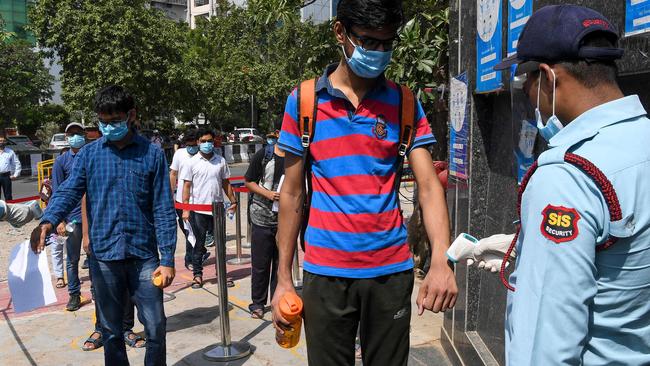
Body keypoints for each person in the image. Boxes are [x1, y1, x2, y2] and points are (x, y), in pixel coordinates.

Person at [272, 1, 457, 364]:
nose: (379, 53)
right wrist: (283, 279)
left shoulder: (404, 103)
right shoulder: (305, 102)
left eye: (387, 44)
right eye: (369, 42)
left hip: (389, 272)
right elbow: (292, 194)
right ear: (340, 33)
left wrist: (440, 260)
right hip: (325, 273)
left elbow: (429, 186)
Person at [482, 5, 650, 364]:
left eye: (525, 80)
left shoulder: (567, 175)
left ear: (547, 77)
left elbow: (547, 345)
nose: (527, 92)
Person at [30, 85, 176, 366]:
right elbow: (69, 191)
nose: (108, 127)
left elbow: (163, 210)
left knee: (156, 326)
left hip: (144, 257)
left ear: (131, 115)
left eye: (115, 121)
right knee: (110, 331)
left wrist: (168, 258)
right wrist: (48, 221)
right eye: (103, 122)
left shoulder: (152, 154)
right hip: (104, 257)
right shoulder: (89, 155)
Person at [80, 199, 146, 351]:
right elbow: (85, 198)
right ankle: (101, 328)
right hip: (100, 234)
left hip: (128, 233)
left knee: (127, 285)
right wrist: (85, 233)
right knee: (100, 287)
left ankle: (125, 328)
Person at [181, 128, 237, 289]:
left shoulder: (220, 161)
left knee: (220, 244)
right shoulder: (191, 163)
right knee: (198, 244)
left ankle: (221, 273)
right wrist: (186, 209)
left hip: (217, 210)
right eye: (203, 141)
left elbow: (226, 183)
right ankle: (197, 275)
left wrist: (233, 201)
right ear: (198, 142)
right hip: (198, 211)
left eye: (209, 141)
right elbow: (186, 186)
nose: (207, 144)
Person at [244, 130, 284, 319]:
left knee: (280, 264)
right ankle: (258, 304)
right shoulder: (265, 154)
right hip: (261, 216)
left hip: (285, 220)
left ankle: (278, 301)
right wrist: (268, 194)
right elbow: (248, 181)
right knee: (261, 264)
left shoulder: (297, 156)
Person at [50, 122, 87, 311]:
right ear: (66, 137)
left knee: (96, 257)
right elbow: (57, 192)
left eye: (78, 133)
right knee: (72, 259)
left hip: (92, 217)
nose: (75, 137)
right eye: (71, 134)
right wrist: (60, 220)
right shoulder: (61, 161)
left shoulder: (92, 155)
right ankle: (74, 294)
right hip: (71, 220)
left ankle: (99, 291)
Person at [169, 129, 209, 270]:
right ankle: (200, 251)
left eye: (194, 144)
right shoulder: (180, 154)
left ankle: (190, 259)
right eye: (188, 145)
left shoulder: (203, 155)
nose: (191, 147)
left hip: (198, 202)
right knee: (187, 230)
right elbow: (173, 174)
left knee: (193, 231)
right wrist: (170, 194)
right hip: (181, 200)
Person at [0, 136, 21, 200]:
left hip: (6, 176)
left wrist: (15, 175)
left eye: (3, 141)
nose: (2, 142)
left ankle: (9, 209)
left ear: (5, 142)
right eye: (0, 141)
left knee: (8, 195)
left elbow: (17, 163)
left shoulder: (10, 152)